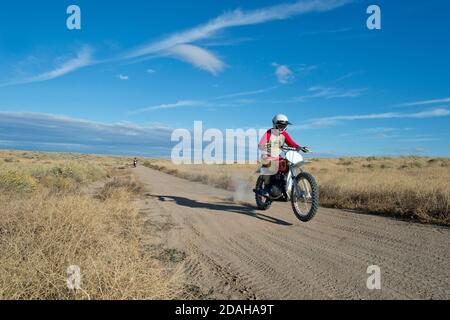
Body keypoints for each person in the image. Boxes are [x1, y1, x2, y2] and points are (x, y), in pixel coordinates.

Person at [258, 114, 308, 196]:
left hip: (277, 156)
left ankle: (289, 186)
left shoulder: (284, 134)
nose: (282, 127)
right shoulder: (269, 133)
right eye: (280, 125)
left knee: (287, 165)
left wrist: (300, 147)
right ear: (274, 124)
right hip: (267, 155)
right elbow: (261, 144)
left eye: (283, 125)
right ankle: (266, 188)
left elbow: (291, 143)